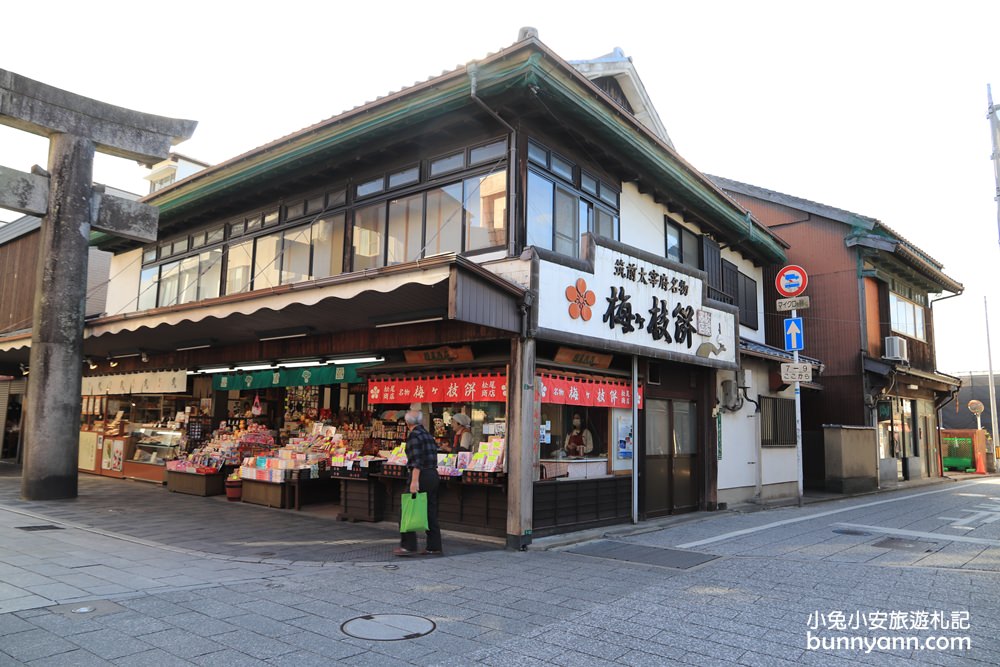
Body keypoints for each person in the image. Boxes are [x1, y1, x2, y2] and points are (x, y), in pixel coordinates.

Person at [394, 408, 443, 556]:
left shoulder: (414, 436)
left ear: (407, 422)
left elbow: (416, 461)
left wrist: (414, 482)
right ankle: (434, 546)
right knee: (430, 511)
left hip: (421, 476)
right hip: (433, 474)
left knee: (406, 510)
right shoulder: (428, 435)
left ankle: (408, 546)